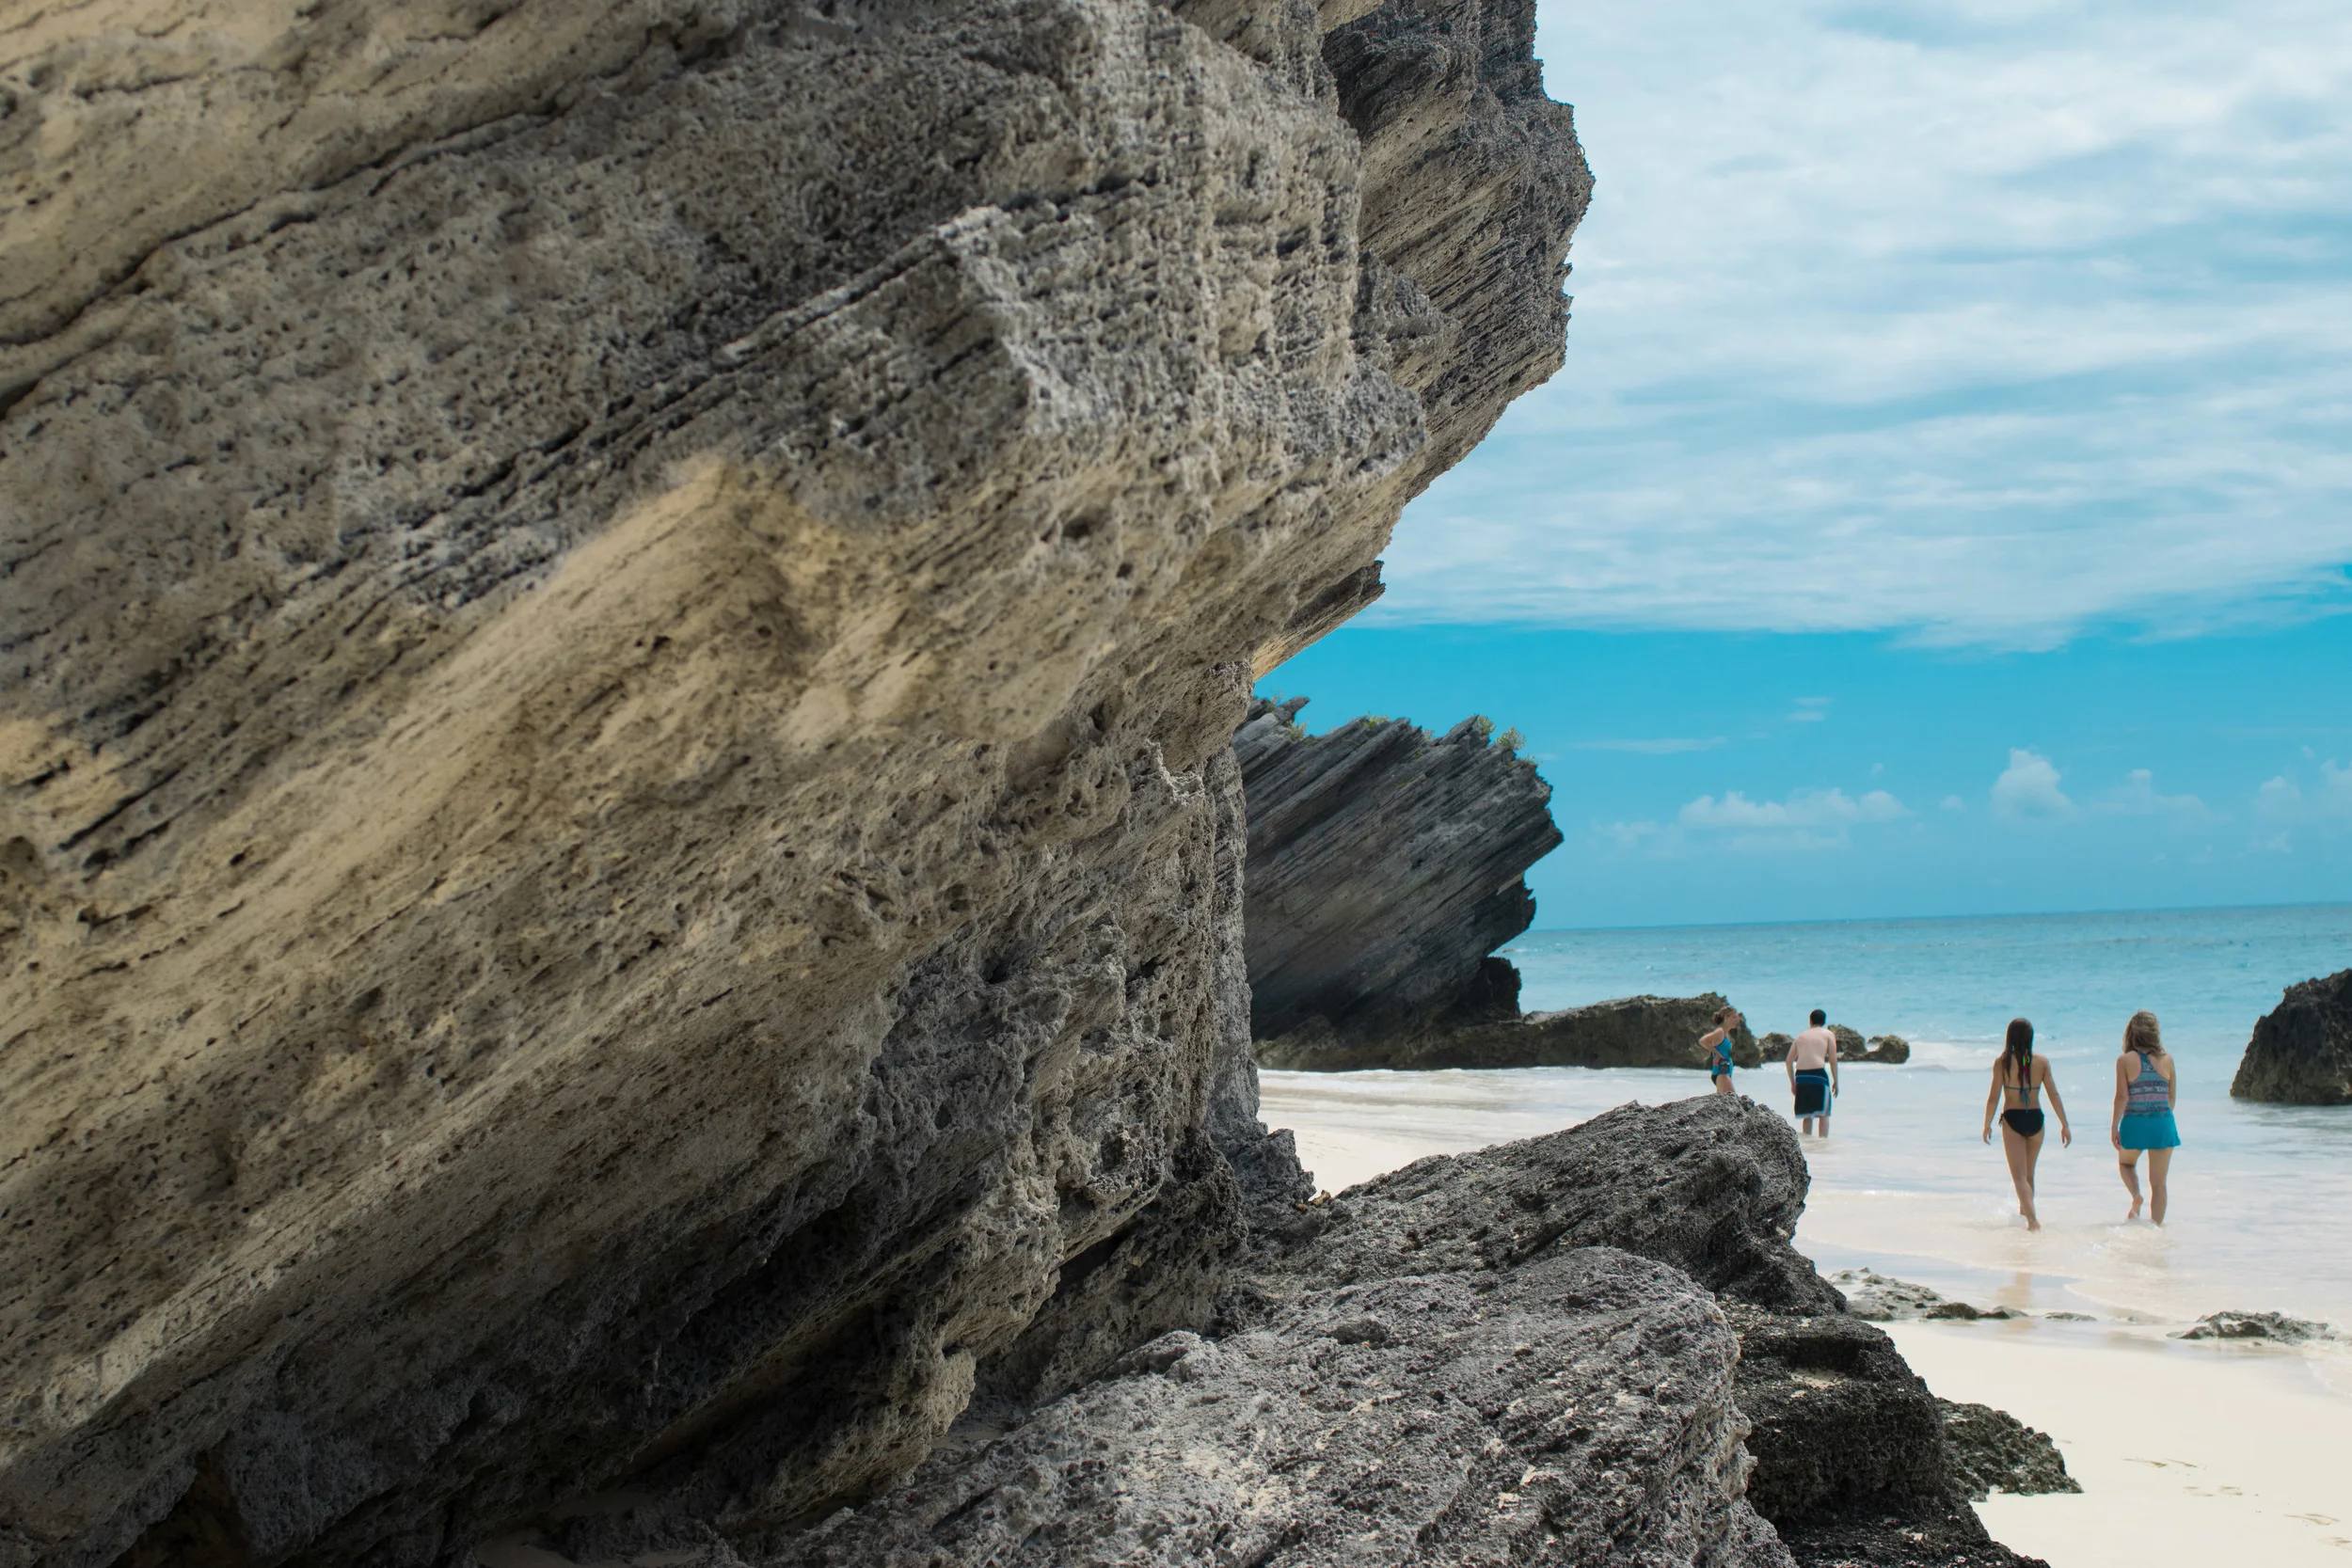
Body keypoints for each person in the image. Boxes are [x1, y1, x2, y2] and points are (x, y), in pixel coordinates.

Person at [1979, 1017, 2070, 1230]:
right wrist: (2064, 1124)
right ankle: (2025, 1218)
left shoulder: (2002, 1063)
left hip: (2013, 1120)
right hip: (2037, 1119)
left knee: (2018, 1177)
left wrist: (1987, 1124)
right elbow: (2054, 1095)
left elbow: (1993, 1097)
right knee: (2029, 1175)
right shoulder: (2042, 1062)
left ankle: (2032, 1221)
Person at [2111, 1009, 2179, 1224]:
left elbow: (2121, 1097)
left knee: (2125, 1164)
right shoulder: (2168, 1060)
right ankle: (2156, 1231)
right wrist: (2159, 1121)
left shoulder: (2124, 1060)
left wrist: (2114, 1126)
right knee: (2159, 1185)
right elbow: (2171, 1098)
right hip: (2163, 1122)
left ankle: (2136, 1196)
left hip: (2135, 1123)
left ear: (2130, 1034)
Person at [1786, 1008, 1838, 1135]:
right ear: (1824, 1021)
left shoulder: (1801, 1036)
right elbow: (1832, 1060)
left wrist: (1793, 1083)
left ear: (1810, 1021)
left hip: (1801, 1077)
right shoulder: (1828, 1034)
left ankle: (1808, 1146)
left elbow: (1788, 1061)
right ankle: (1822, 1145)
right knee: (1823, 1115)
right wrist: (1836, 1081)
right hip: (1818, 1076)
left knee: (1807, 1115)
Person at [1700, 1006, 1743, 1095]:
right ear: (1726, 1017)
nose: (1736, 1020)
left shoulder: (1727, 1034)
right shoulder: (1720, 1032)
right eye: (1734, 1017)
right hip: (1722, 1072)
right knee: (1732, 1100)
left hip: (1726, 1072)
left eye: (1737, 1018)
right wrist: (1717, 1054)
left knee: (1723, 1104)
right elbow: (1703, 1041)